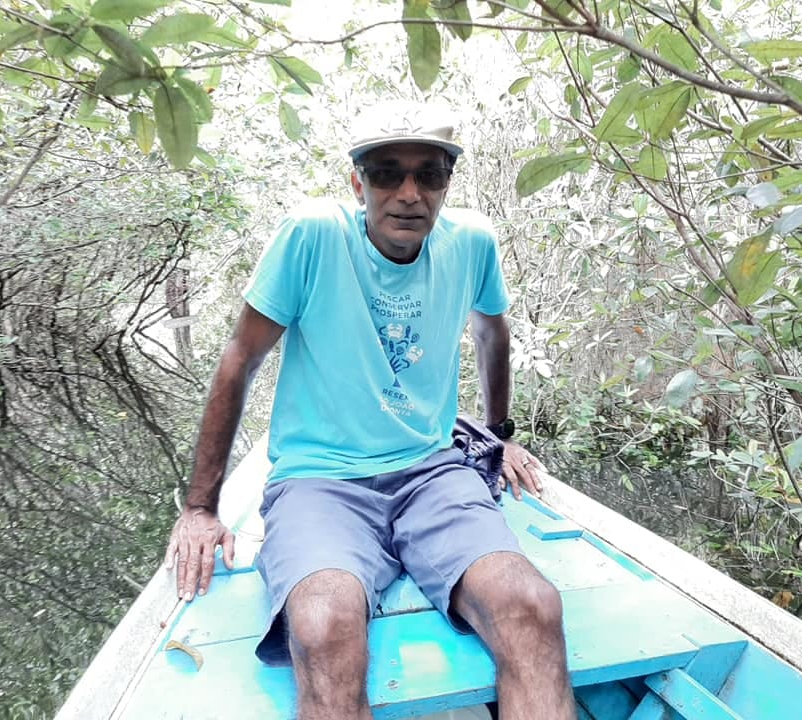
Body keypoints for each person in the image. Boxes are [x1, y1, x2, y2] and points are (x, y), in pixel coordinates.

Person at [165, 102, 577, 720]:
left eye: (429, 175)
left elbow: (494, 334)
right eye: (387, 172)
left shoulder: (472, 244)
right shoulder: (312, 236)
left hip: (431, 472)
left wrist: (498, 436)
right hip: (319, 480)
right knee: (324, 623)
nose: (409, 193)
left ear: (446, 184)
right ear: (358, 183)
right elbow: (238, 361)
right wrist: (201, 509)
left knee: (533, 604)